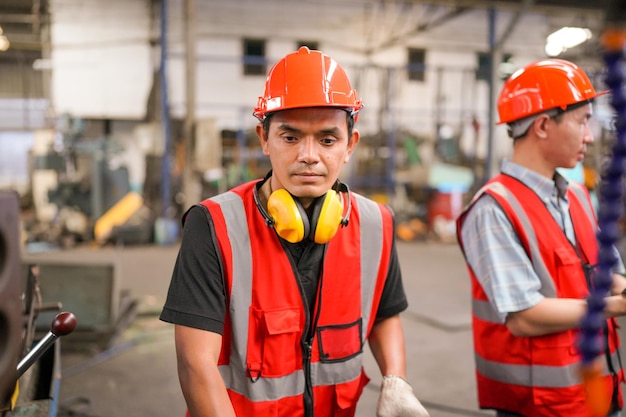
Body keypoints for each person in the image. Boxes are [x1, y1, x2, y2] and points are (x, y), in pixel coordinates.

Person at [160, 46, 429, 417]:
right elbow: (196, 364)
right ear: (264, 139)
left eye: (327, 139)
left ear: (350, 145)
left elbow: (384, 313)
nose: (309, 155)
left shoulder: (375, 224)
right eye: (290, 137)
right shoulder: (214, 225)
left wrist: (396, 380)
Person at [456, 58, 626, 417]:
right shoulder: (493, 208)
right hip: (541, 405)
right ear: (545, 125)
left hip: (598, 392)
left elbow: (603, 273)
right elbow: (524, 315)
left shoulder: (577, 195)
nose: (590, 135)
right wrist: (617, 305)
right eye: (583, 122)